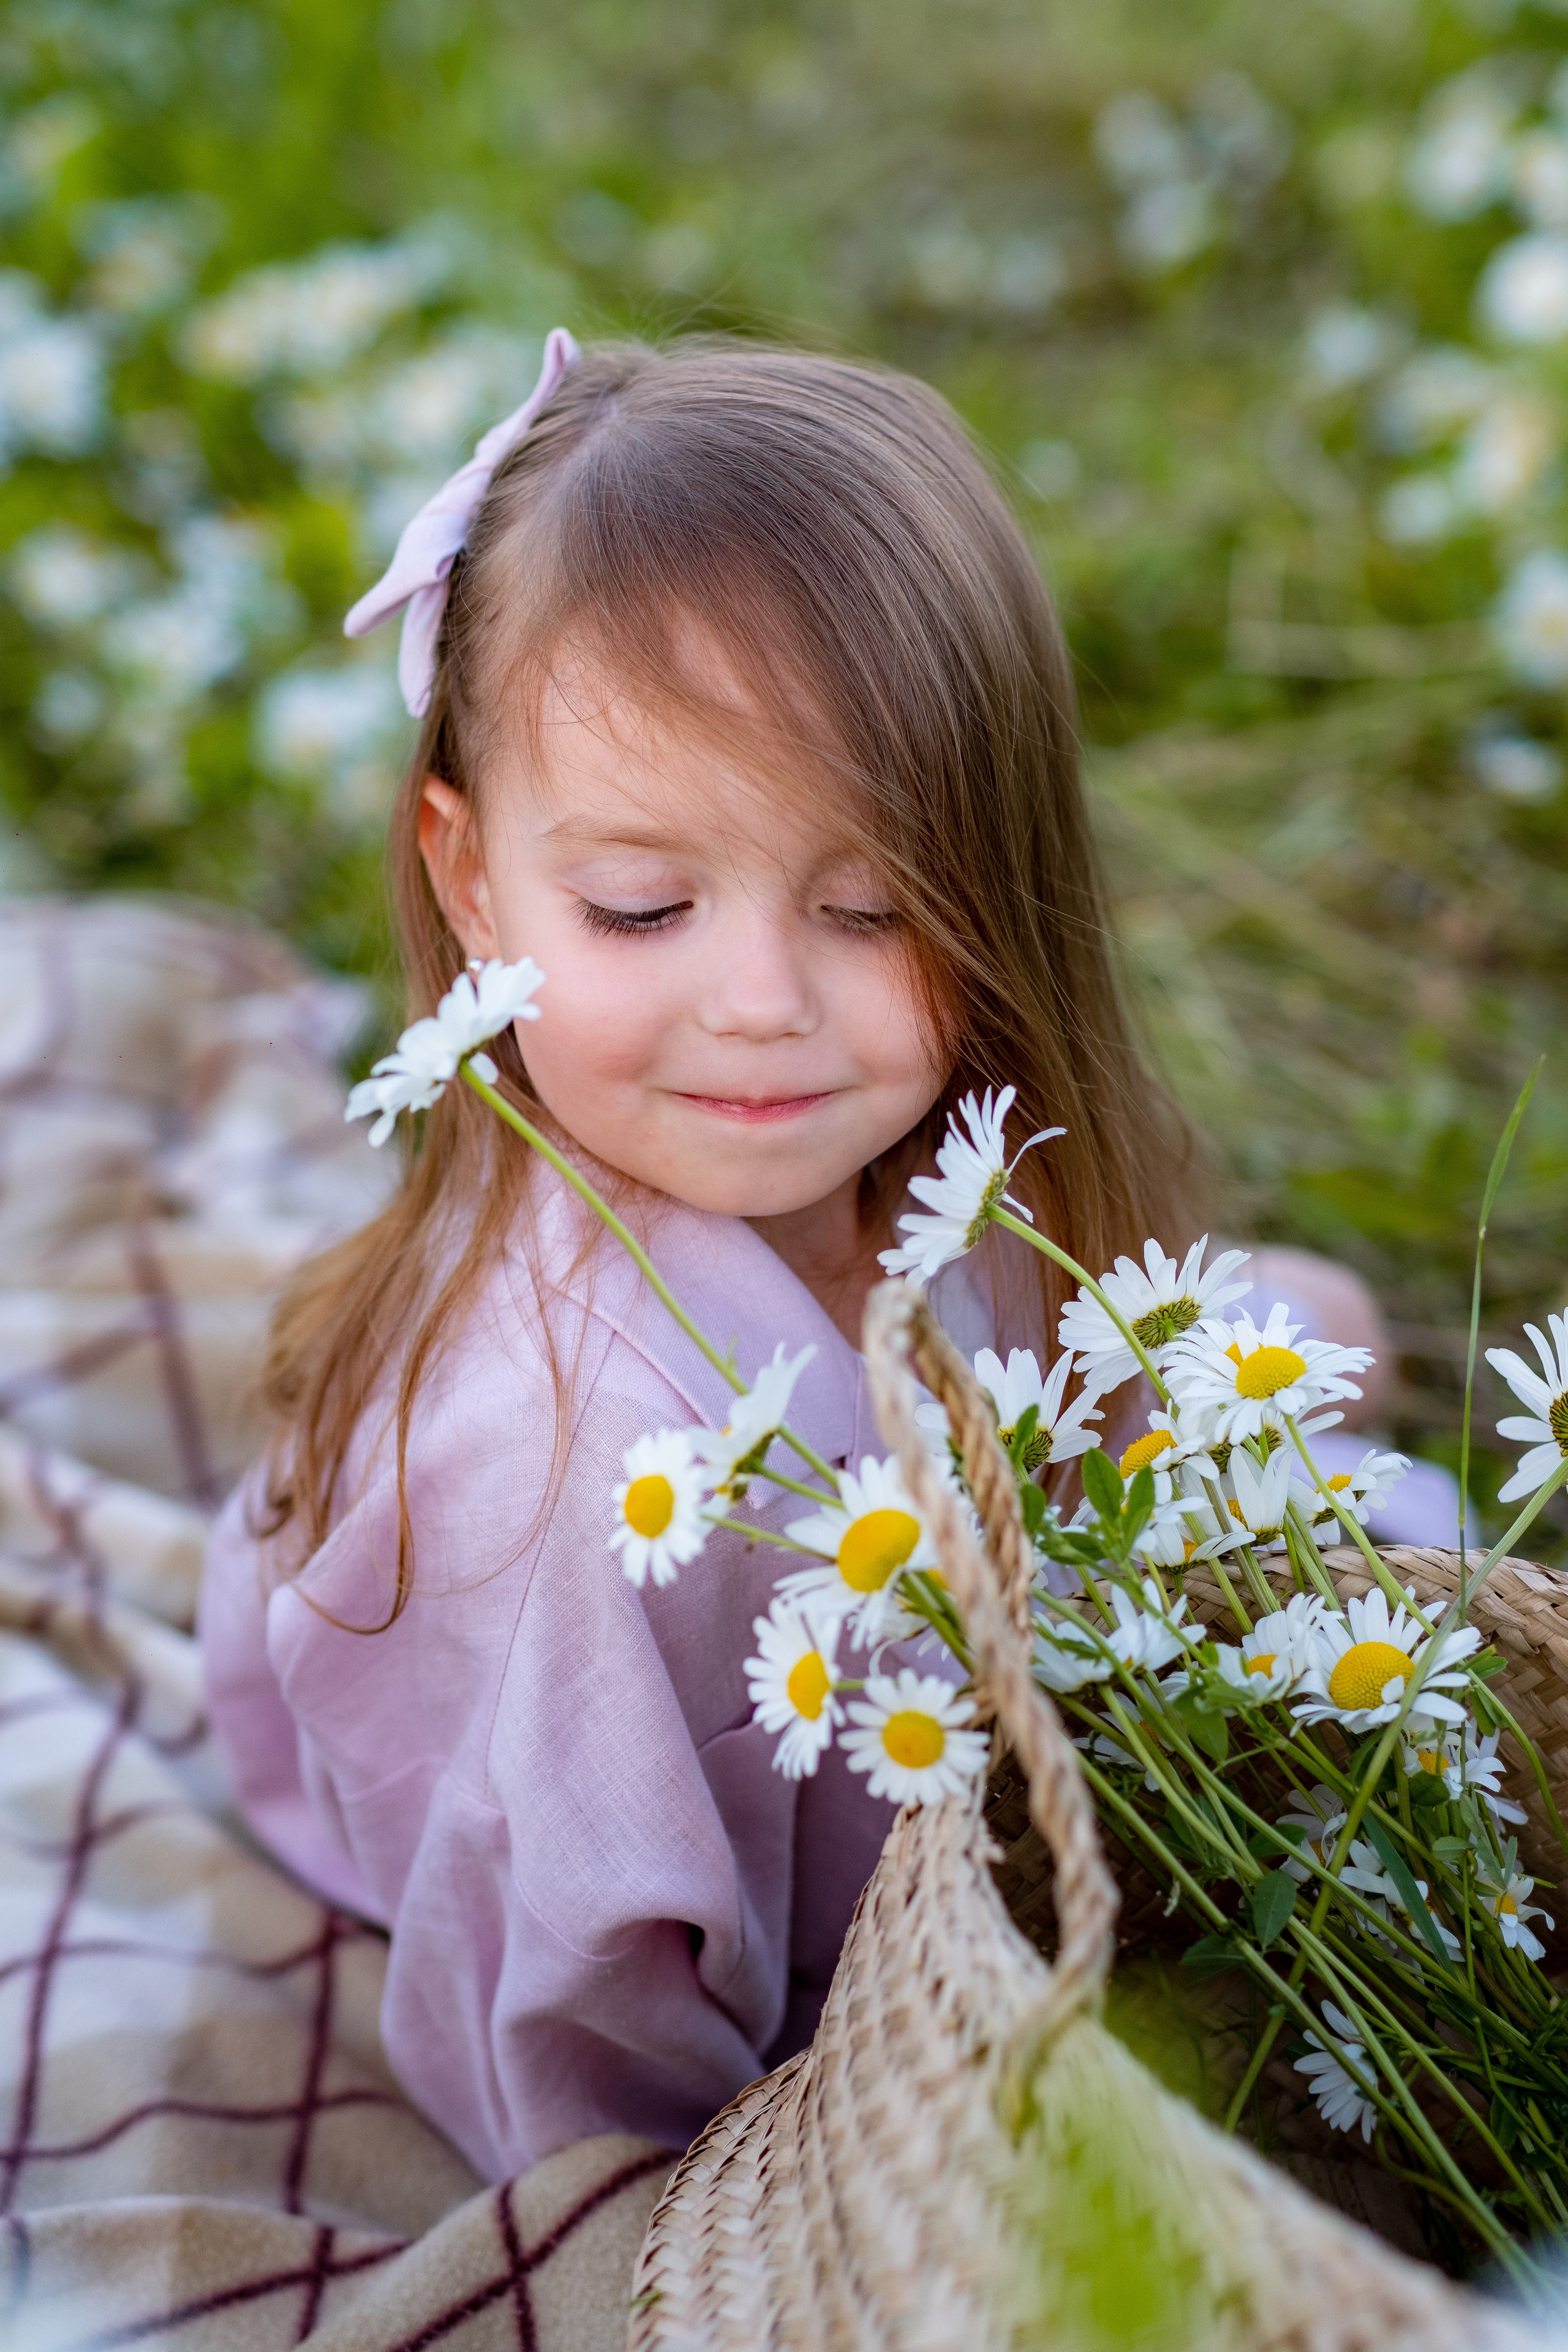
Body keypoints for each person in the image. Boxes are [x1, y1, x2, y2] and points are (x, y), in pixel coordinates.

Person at [198, 331, 1447, 2186]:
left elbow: (1069, 1375)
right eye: (643, 907)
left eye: (872, 904)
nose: (764, 1002)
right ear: (471, 883)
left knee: (1313, 1361)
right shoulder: (562, 1489)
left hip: (908, 1635)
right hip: (683, 1864)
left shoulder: (943, 1160)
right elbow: (569, 2033)